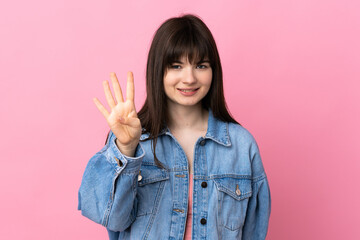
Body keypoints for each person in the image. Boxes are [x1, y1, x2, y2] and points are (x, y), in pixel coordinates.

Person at [78, 14, 271, 240]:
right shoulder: (131, 138)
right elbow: (110, 218)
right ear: (158, 71)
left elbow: (254, 232)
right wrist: (126, 148)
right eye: (176, 66)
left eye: (201, 65)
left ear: (213, 71)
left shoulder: (241, 145)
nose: (189, 78)